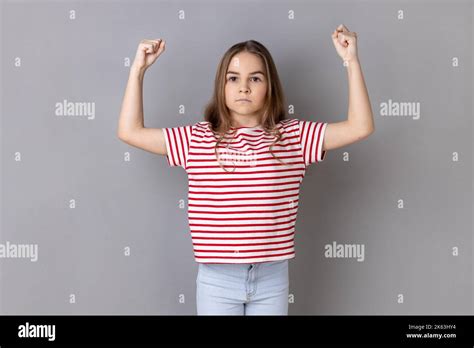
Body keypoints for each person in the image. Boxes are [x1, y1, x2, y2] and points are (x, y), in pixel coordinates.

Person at [117, 24, 375, 315]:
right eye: (233, 78)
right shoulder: (197, 139)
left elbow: (360, 126)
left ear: (269, 86)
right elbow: (130, 131)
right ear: (222, 86)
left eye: (255, 78)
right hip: (217, 279)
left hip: (271, 278)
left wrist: (350, 61)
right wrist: (138, 69)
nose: (243, 87)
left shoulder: (293, 136)